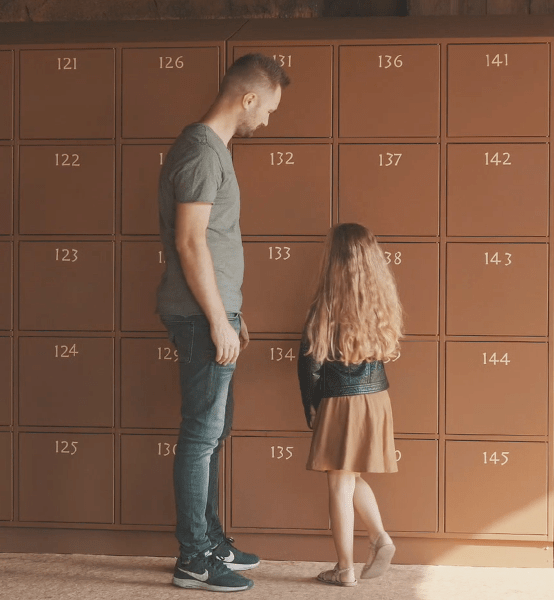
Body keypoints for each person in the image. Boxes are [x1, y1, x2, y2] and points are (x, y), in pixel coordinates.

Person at [157, 53, 289, 593]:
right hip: (197, 316)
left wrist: (232, 313)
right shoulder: (200, 151)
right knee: (201, 433)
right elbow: (190, 241)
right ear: (248, 98)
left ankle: (210, 540)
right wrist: (216, 318)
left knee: (214, 432)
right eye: (270, 109)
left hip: (213, 312)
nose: (268, 121)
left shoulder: (210, 151)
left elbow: (211, 244)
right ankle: (193, 559)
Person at [297, 223, 403, 587]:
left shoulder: (326, 305)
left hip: (341, 401)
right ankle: (380, 538)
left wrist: (312, 407)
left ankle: (344, 568)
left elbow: (309, 362)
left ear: (333, 258)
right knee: (349, 473)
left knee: (339, 482)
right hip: (376, 398)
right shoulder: (381, 300)